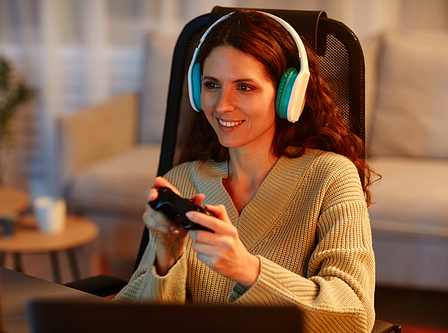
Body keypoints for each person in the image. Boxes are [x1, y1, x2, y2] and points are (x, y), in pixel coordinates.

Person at [115, 9, 377, 333]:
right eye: (212, 84)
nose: (222, 105)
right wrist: (166, 261)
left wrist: (248, 270)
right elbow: (131, 321)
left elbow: (354, 316)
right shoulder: (182, 181)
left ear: (287, 95)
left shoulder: (332, 177)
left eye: (244, 87)